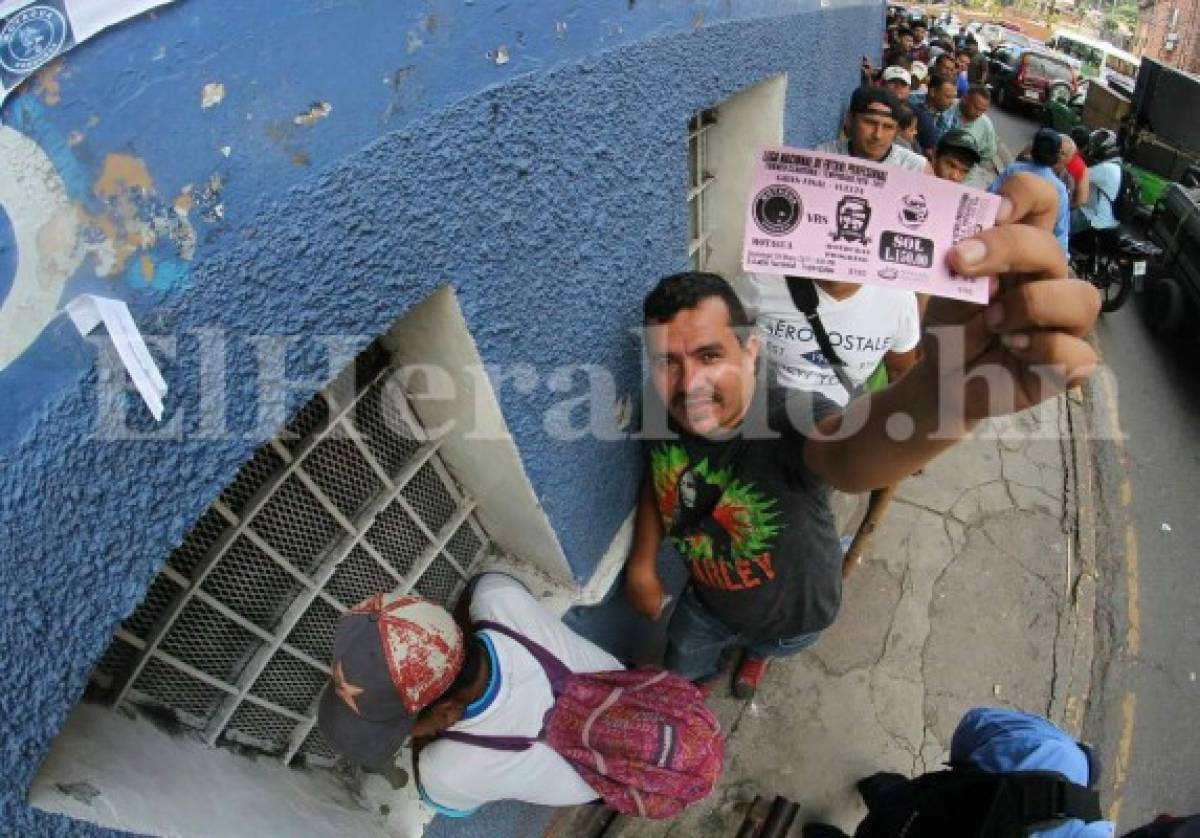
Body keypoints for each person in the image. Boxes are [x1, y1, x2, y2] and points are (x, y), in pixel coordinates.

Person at [625, 174, 1101, 699]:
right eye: (667, 362)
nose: (690, 384)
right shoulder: (660, 410)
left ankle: (758, 657)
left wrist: (943, 398)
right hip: (704, 606)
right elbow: (662, 480)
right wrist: (644, 563)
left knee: (769, 647)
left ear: (751, 351)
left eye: (710, 356)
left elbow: (850, 455)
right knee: (684, 674)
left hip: (794, 618)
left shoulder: (792, 413)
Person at [317, 575, 624, 815]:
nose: (408, 735)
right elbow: (480, 587)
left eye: (403, 727)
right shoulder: (494, 595)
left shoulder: (446, 774)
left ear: (447, 714)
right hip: (631, 697)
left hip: (612, 783)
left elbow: (448, 805)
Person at [801, 706, 1197, 837]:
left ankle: (880, 791)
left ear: (1164, 819)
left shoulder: (1061, 763)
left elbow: (974, 727)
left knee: (897, 799)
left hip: (913, 816)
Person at [991, 128, 1071, 256]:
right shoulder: (1059, 189)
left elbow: (990, 196)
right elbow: (1061, 232)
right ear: (1056, 157)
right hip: (1030, 250)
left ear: (1032, 150)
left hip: (999, 238)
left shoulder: (1013, 170)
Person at [819, 85, 931, 174]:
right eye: (870, 123)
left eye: (888, 127)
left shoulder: (916, 169)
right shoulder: (823, 158)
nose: (878, 135)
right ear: (850, 120)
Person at [1071, 129, 1122, 236]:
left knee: (1058, 223)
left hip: (1094, 217)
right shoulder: (1115, 165)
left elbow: (1077, 174)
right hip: (1103, 216)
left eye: (1094, 147)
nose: (1091, 150)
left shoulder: (1107, 169)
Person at [945, 84, 997, 183]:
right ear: (965, 98)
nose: (978, 113)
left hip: (962, 181)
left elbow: (987, 154)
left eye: (983, 110)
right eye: (976, 108)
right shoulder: (948, 106)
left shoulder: (986, 125)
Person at [912, 72, 958, 153]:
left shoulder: (950, 114)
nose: (951, 102)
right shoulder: (911, 104)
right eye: (948, 97)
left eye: (953, 97)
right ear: (932, 92)